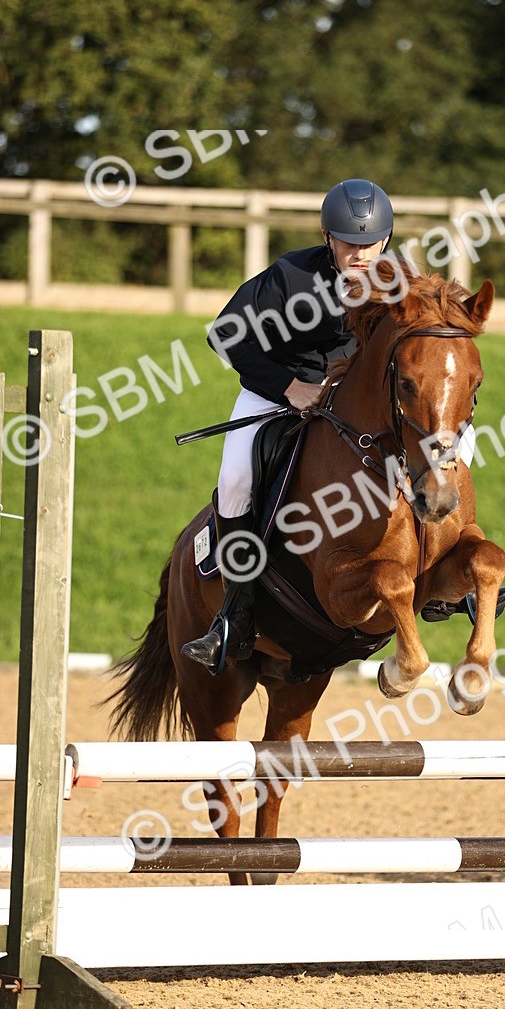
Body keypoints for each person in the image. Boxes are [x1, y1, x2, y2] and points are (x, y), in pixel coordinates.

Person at [181, 178, 394, 671]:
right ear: (327, 237)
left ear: (385, 240)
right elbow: (225, 334)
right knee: (235, 480)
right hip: (276, 392)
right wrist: (288, 388)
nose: (359, 254)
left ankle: (447, 576)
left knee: (443, 449)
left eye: (369, 243)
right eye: (348, 243)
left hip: (352, 405)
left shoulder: (399, 281)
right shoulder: (291, 276)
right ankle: (234, 613)